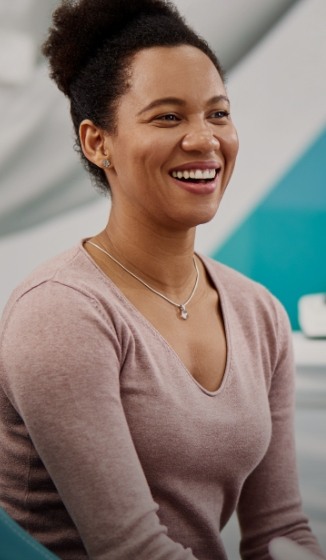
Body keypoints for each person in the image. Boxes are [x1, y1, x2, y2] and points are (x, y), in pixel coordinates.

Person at [0, 1, 324, 559]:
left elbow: (279, 530)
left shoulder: (258, 312)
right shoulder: (61, 311)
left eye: (218, 114)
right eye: (168, 117)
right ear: (99, 142)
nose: (204, 140)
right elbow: (131, 550)